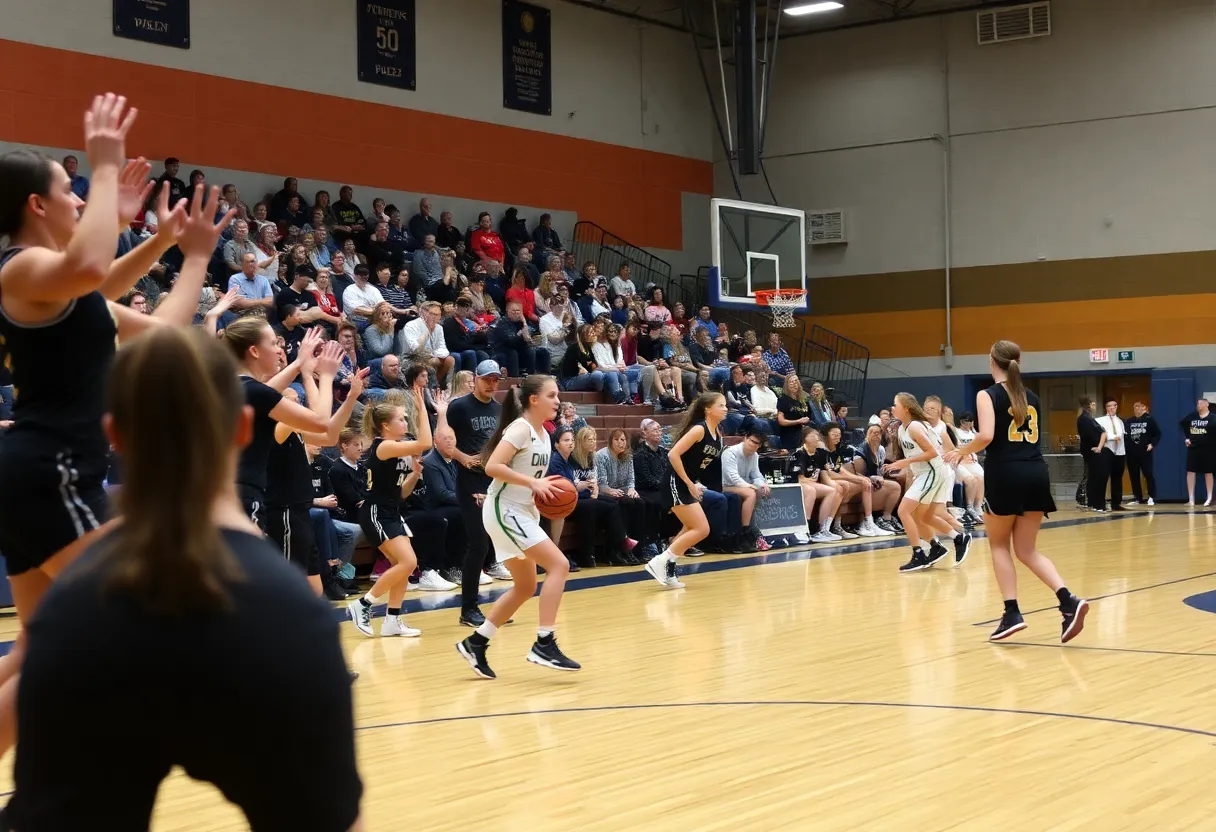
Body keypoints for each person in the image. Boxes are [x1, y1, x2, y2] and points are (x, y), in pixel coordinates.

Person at [3, 327, 362, 830]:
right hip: (260, 594)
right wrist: (313, 373)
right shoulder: (297, 616)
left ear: (114, 436)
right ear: (243, 428)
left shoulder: (68, 607)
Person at [946, 340, 1088, 643]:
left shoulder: (987, 394)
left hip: (1006, 473)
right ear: (1017, 362)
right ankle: (1068, 601)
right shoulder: (1030, 396)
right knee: (1027, 550)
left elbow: (986, 435)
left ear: (991, 361)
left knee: (999, 545)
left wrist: (961, 451)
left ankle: (1012, 613)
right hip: (1036, 472)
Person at [457, 374, 580, 679]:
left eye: (558, 395)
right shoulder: (520, 428)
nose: (557, 400)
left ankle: (476, 642)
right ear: (533, 399)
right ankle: (544, 642)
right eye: (551, 395)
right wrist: (532, 483)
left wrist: (545, 487)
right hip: (505, 509)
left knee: (525, 586)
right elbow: (492, 466)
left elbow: (531, 475)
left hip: (523, 510)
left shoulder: (544, 433)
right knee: (559, 566)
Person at [224, 320, 345, 531]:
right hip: (245, 495)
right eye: (273, 343)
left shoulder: (237, 387)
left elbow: (266, 391)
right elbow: (321, 422)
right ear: (254, 351)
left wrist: (299, 365)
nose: (280, 350)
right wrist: (326, 376)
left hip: (231, 493)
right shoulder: (254, 391)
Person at [347, 381, 444, 638]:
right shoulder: (384, 446)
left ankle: (392, 620)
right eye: (401, 419)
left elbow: (401, 494)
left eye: (405, 418)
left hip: (391, 510)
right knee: (408, 562)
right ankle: (363, 604)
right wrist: (421, 408)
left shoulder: (395, 450)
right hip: (376, 512)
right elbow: (425, 442)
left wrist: (414, 474)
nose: (405, 423)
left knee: (402, 566)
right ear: (385, 426)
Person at [265, 385, 362, 596]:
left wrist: (351, 399)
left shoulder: (296, 432)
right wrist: (315, 377)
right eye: (291, 401)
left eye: (298, 400)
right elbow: (319, 419)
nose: (297, 404)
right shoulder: (277, 429)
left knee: (315, 588)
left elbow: (330, 436)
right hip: (284, 512)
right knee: (290, 585)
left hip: (301, 512)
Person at [642, 392, 727, 589]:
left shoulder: (717, 435)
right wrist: (689, 483)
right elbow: (673, 454)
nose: (726, 409)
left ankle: (668, 568)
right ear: (708, 409)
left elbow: (695, 462)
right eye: (721, 405)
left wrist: (695, 482)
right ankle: (660, 561)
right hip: (675, 482)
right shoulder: (699, 429)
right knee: (702, 529)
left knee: (689, 528)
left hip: (687, 482)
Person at [447, 360, 505, 627]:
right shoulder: (459, 407)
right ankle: (468, 609)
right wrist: (463, 458)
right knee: (478, 543)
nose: (491, 384)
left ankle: (500, 607)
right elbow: (442, 440)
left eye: (495, 379)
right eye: (487, 379)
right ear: (476, 379)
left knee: (498, 542)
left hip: (494, 480)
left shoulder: (499, 409)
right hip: (470, 482)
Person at [884, 393, 969, 573]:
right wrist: (903, 465)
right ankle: (953, 540)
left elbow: (932, 453)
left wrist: (905, 463)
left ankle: (919, 554)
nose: (892, 408)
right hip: (926, 473)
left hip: (933, 472)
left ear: (906, 408)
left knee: (904, 511)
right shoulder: (902, 428)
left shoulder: (915, 426)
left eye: (895, 404)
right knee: (923, 516)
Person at [790, 426, 842, 543]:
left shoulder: (820, 453)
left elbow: (828, 471)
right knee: (811, 491)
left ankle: (822, 529)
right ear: (805, 439)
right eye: (813, 435)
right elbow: (800, 479)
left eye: (817, 435)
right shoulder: (799, 454)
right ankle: (805, 529)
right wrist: (812, 482)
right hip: (797, 484)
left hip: (811, 483)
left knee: (831, 490)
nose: (816, 438)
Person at [1179, 398, 1213, 506]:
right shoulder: (1192, 416)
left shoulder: (1213, 418)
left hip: (1207, 449)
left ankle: (1209, 497)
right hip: (1193, 448)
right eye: (1197, 404)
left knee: (1208, 472)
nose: (1198, 405)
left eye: (1200, 403)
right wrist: (1186, 438)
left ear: (1206, 404)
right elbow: (1182, 424)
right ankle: (1191, 499)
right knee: (1190, 471)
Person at [1125, 401, 1160, 506]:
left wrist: (1152, 444)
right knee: (1134, 475)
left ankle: (1151, 497)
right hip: (1132, 453)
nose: (1136, 408)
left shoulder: (1149, 420)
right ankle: (1137, 498)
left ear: (1144, 408)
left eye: (1139, 406)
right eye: (1135, 406)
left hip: (1145, 452)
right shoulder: (1129, 421)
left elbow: (1157, 433)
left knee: (1148, 474)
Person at [1094, 398, 1127, 512]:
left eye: (1114, 405)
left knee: (1117, 478)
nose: (1112, 408)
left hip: (1120, 452)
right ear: (1106, 408)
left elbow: (1122, 436)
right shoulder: (1100, 420)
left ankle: (1116, 503)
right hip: (1107, 451)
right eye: (1109, 406)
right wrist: (1112, 437)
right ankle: (1100, 503)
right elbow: (1100, 435)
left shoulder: (1120, 421)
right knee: (1103, 478)